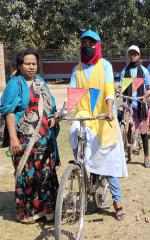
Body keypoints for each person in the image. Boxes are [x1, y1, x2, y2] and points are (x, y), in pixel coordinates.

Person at [69, 30, 128, 220]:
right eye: (84, 43)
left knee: (108, 163)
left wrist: (110, 110)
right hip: (84, 116)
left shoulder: (105, 66)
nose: (87, 46)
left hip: (103, 118)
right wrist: (62, 111)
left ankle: (117, 203)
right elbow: (72, 93)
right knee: (73, 132)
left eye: (91, 43)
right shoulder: (77, 69)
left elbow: (109, 90)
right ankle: (79, 169)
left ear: (98, 45)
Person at [0, 49, 59, 223]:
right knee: (26, 173)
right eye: (27, 63)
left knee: (45, 173)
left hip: (44, 139)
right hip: (23, 139)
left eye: (34, 63)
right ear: (19, 65)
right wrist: (13, 138)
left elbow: (51, 104)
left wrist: (52, 116)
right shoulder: (15, 84)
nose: (31, 67)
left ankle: (47, 210)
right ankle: (28, 213)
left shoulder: (40, 82)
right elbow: (8, 112)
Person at [119, 45, 150, 168]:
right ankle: (127, 150)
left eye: (135, 54)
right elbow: (121, 87)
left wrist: (145, 96)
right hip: (128, 105)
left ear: (139, 55)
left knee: (143, 132)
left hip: (140, 104)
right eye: (131, 54)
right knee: (128, 128)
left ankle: (146, 157)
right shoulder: (124, 71)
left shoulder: (144, 71)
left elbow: (149, 89)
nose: (132, 56)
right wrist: (118, 90)